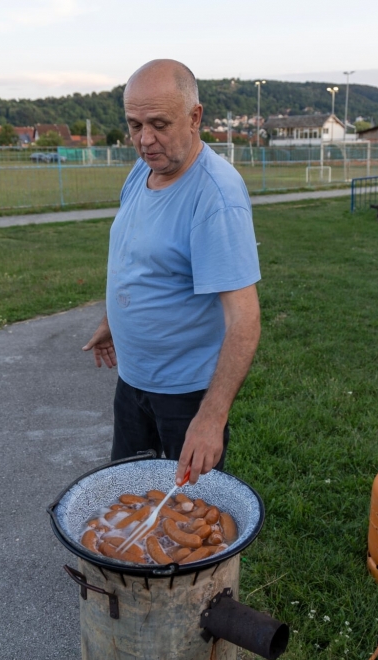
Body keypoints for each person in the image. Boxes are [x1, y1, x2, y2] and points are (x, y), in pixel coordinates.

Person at [83, 59, 261, 487]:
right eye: (134, 125)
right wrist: (113, 320)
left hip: (185, 396)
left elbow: (245, 319)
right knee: (127, 497)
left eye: (159, 124)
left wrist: (211, 417)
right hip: (133, 382)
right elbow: (134, 255)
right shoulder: (145, 168)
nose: (145, 140)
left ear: (195, 117)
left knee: (188, 513)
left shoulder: (216, 197)